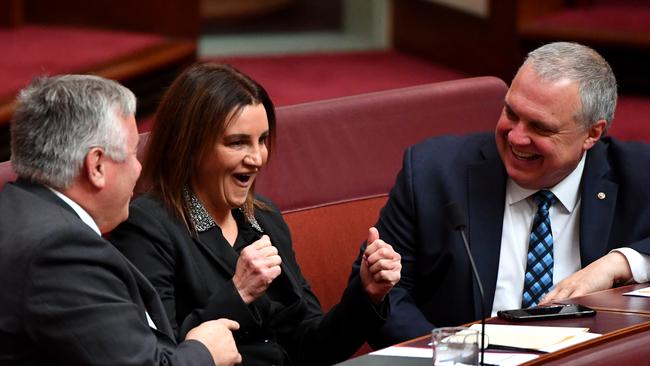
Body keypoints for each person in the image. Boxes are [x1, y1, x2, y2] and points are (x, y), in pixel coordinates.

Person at [349, 41, 650, 348]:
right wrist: (445, 353)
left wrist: (619, 263)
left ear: (592, 134)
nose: (516, 137)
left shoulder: (637, 173)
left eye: (540, 127)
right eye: (511, 112)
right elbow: (382, 293)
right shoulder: (433, 172)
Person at [109, 63, 402, 365]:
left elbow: (311, 348)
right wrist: (238, 293)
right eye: (238, 142)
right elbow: (160, 355)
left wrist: (367, 293)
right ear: (189, 145)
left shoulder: (264, 218)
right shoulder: (145, 226)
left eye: (262, 140)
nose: (257, 158)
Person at [0, 74, 242, 366]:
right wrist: (205, 352)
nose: (139, 169)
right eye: (132, 154)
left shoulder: (18, 208)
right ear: (97, 166)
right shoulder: (59, 251)